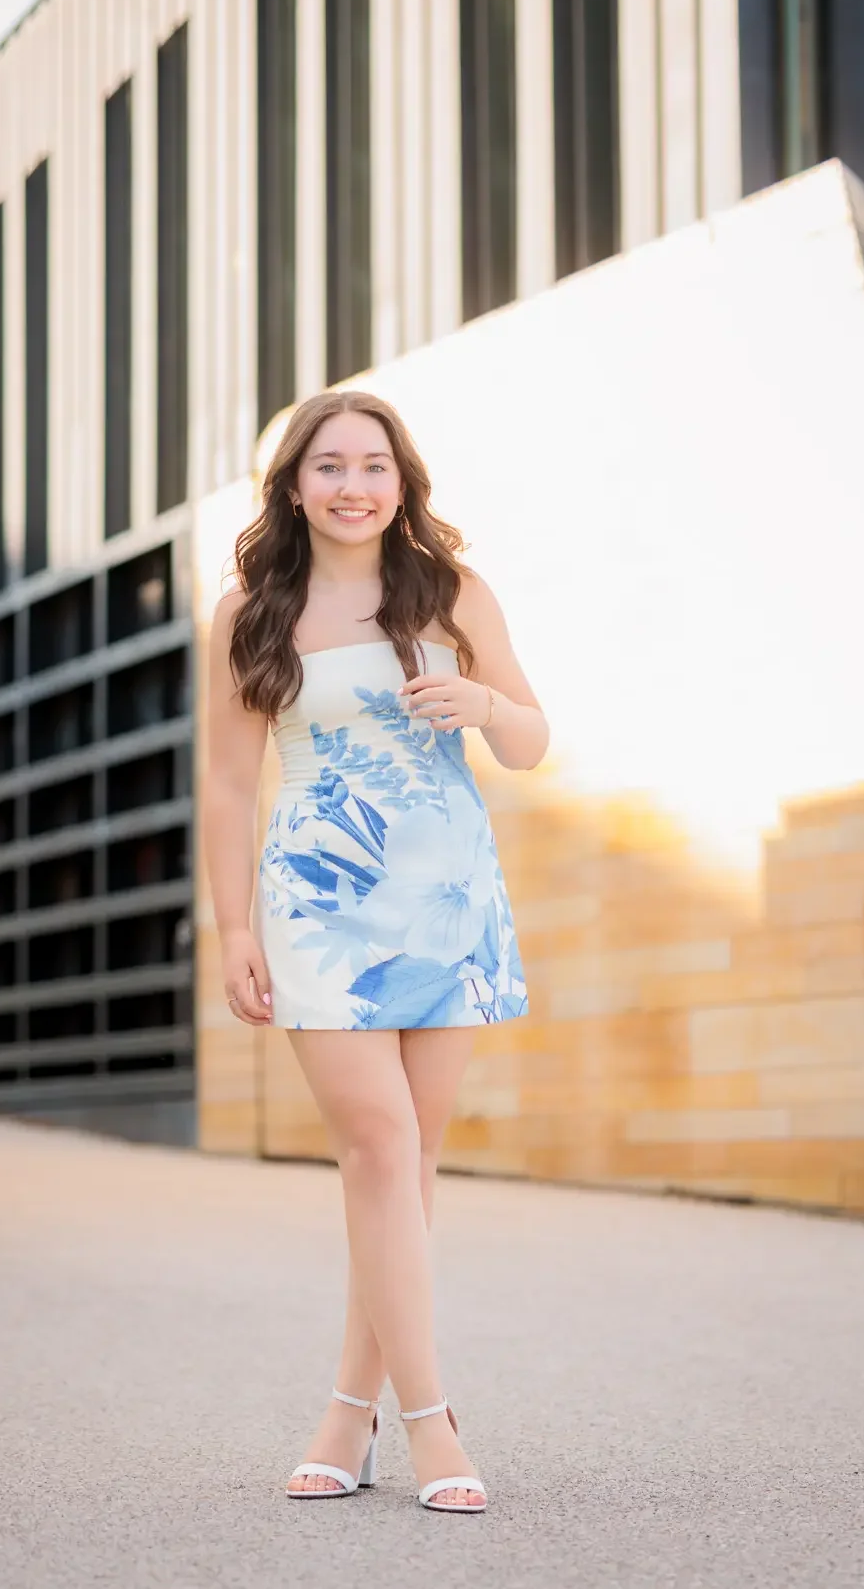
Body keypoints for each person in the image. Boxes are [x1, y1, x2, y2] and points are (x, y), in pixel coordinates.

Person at [203, 389, 548, 1512]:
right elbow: (227, 779)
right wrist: (234, 924)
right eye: (328, 465)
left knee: (399, 1167)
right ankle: (430, 1421)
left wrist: (481, 697)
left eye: (374, 465)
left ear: (402, 483)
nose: (353, 485)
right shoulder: (251, 611)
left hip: (445, 896)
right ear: (292, 483)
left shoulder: (447, 592)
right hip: (318, 903)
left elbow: (533, 740)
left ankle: (342, 1417)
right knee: (379, 1145)